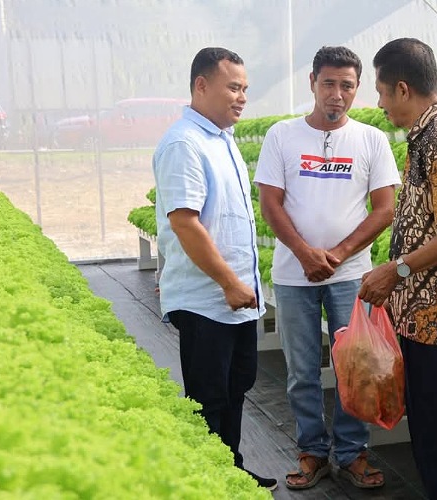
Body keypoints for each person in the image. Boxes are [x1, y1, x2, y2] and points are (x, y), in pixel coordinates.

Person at [253, 45, 401, 490]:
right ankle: (312, 452)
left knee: (357, 366)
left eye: (347, 86)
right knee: (301, 370)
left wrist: (336, 254)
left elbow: (384, 208)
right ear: (313, 83)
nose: (337, 94)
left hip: (351, 275)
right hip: (294, 275)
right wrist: (303, 253)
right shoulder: (282, 136)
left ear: (357, 89)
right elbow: (270, 203)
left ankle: (352, 453)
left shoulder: (371, 140)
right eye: (329, 83)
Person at [359, 37, 437, 500]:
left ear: (401, 88)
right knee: (435, 446)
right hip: (426, 322)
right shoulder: (424, 138)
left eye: (378, 92)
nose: (378, 104)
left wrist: (398, 271)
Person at [152, 47, 277, 491]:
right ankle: (209, 481)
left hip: (237, 297)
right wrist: (227, 282)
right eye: (233, 87)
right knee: (209, 396)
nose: (242, 97)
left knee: (236, 386)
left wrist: (242, 286)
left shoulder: (221, 140)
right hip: (208, 299)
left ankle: (230, 468)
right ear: (201, 85)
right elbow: (185, 223)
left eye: (245, 88)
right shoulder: (184, 143)